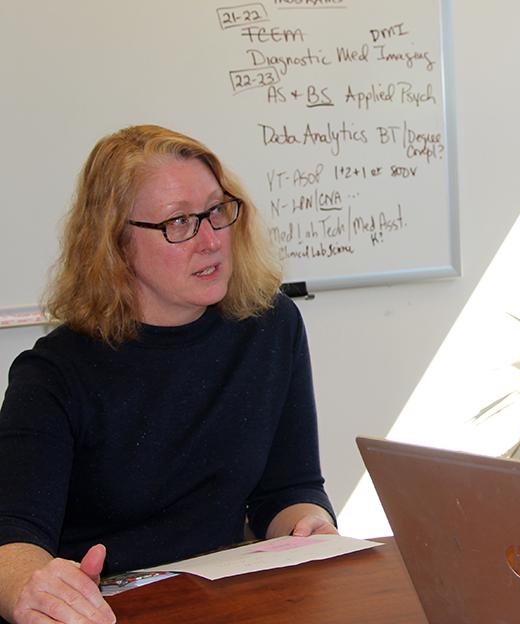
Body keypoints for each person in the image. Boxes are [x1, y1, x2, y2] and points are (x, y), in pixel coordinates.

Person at [0, 125, 337, 624]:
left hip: (224, 603)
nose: (211, 240)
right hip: (104, 612)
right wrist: (36, 590)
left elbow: (287, 490)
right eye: (179, 222)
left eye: (217, 211)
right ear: (116, 244)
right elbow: (12, 540)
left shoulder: (269, 325)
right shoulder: (53, 374)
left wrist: (309, 524)